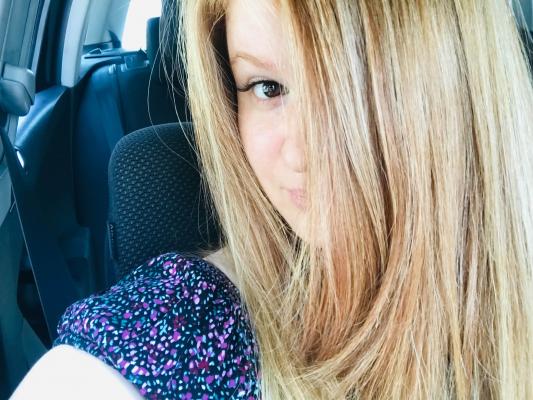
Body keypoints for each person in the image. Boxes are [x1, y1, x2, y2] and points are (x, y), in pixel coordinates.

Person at [12, 0, 533, 398]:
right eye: (267, 87)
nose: (306, 154)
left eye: (360, 86)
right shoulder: (183, 327)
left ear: (461, 91)